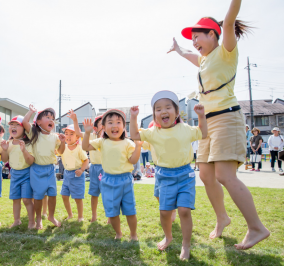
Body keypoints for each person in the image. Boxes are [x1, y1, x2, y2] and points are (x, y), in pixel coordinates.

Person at [167, 0, 269, 249]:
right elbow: (194, 58)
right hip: (207, 123)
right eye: (192, 40)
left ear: (213, 34)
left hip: (227, 117)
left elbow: (230, 19)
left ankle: (257, 228)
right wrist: (180, 51)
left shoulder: (226, 51)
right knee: (205, 175)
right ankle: (222, 218)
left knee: (224, 175)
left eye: (198, 37)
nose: (195, 43)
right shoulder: (204, 60)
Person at [130, 91, 207, 260]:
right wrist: (134, 118)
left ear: (176, 112)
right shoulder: (153, 132)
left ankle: (186, 245)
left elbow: (203, 133)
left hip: (185, 174)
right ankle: (168, 236)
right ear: (154, 115)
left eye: (167, 107)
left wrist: (201, 116)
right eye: (158, 109)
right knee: (165, 212)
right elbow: (135, 135)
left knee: (185, 210)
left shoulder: (185, 128)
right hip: (164, 175)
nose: (163, 111)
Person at [83, 109, 141, 241]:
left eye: (118, 122)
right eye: (110, 122)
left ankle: (133, 234)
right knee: (112, 211)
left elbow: (133, 160)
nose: (114, 125)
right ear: (103, 128)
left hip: (125, 180)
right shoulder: (101, 142)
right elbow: (85, 146)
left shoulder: (128, 143)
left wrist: (138, 147)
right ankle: (119, 233)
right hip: (108, 179)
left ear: (123, 126)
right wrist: (86, 133)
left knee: (130, 210)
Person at [22, 105, 65, 229]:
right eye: (47, 117)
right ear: (38, 122)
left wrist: (63, 142)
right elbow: (25, 122)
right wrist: (31, 111)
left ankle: (51, 216)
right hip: (36, 170)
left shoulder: (55, 137)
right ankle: (39, 219)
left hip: (50, 170)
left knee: (52, 194)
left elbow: (61, 151)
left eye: (53, 118)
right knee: (38, 196)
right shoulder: (34, 133)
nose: (51, 120)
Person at [68, 110, 105, 222]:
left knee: (107, 194)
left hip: (106, 168)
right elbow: (78, 133)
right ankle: (94, 216)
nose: (105, 125)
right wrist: (75, 120)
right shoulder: (92, 135)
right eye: (102, 123)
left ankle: (109, 217)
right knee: (94, 193)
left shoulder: (109, 138)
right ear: (95, 127)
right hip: (94, 168)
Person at [0, 115, 36, 229]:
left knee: (26, 199)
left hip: (26, 174)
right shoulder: (8, 143)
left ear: (24, 129)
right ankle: (17, 220)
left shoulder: (28, 144)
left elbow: (30, 161)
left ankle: (31, 222)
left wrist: (24, 150)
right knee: (15, 199)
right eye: (11, 125)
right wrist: (4, 150)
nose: (13, 127)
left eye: (17, 125)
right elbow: (4, 159)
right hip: (15, 174)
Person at [59, 125, 89, 221]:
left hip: (77, 174)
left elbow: (86, 160)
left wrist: (81, 170)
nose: (68, 136)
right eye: (66, 133)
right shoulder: (63, 147)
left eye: (71, 134)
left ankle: (80, 216)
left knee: (78, 198)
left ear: (77, 137)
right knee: (64, 195)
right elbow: (57, 152)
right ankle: (70, 214)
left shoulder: (79, 148)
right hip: (67, 174)